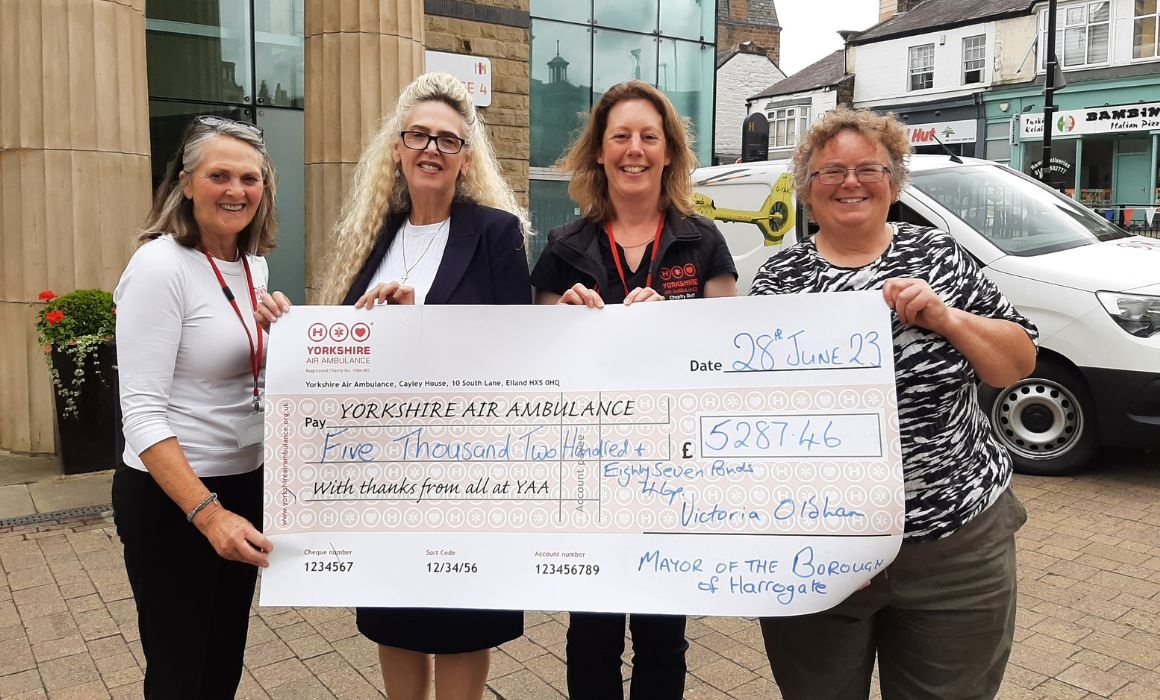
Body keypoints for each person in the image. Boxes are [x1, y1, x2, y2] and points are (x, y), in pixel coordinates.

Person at [751, 107, 1039, 699]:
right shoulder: (778, 282)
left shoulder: (940, 258)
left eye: (867, 169)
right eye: (830, 171)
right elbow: (751, 415)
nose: (850, 183)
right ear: (807, 187)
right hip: (820, 551)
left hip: (953, 548)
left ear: (894, 181)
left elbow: (1017, 364)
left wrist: (946, 316)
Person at [317, 72, 529, 700]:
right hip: (385, 469)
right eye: (419, 136)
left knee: (464, 620)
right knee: (396, 614)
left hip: (471, 467)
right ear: (398, 148)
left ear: (466, 159)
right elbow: (345, 350)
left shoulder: (494, 232)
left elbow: (517, 349)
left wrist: (424, 323)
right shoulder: (371, 237)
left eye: (448, 140)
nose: (432, 149)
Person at [531, 80, 737, 699]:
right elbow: (533, 364)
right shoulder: (565, 246)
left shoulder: (704, 243)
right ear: (599, 151)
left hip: (672, 471)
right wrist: (559, 318)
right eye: (620, 136)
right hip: (586, 473)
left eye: (649, 136)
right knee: (590, 631)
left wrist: (676, 325)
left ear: (669, 152)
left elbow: (726, 358)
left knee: (661, 634)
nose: (634, 149)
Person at [113, 115, 291, 698]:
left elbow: (246, 376)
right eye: (219, 175)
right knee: (178, 669)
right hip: (177, 500)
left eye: (250, 177)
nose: (236, 190)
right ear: (186, 184)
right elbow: (140, 412)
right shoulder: (159, 267)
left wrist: (286, 337)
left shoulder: (252, 266)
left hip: (244, 483)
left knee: (222, 661)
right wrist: (208, 515)